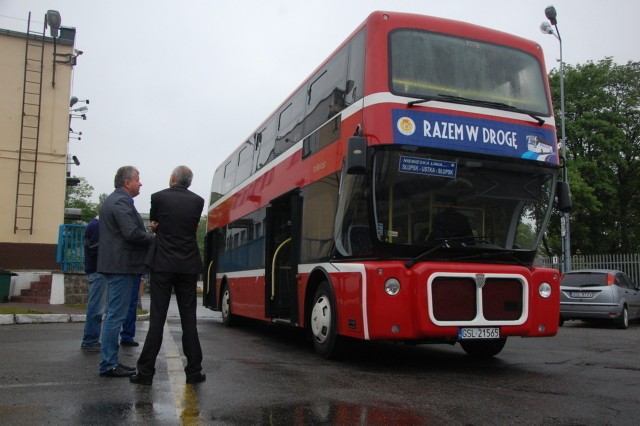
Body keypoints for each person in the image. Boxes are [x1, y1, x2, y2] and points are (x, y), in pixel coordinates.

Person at [130, 165, 205, 385]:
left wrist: (155, 230)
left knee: (157, 319)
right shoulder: (198, 201)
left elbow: (156, 224)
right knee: (188, 319)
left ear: (172, 179)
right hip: (188, 264)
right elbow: (191, 228)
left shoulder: (158, 197)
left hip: (162, 263)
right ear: (188, 182)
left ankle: (145, 373)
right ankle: (194, 371)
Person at [97, 166, 154, 378]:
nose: (140, 183)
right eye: (138, 180)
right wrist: (155, 240)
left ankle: (110, 362)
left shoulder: (116, 200)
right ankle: (108, 364)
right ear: (127, 182)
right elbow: (131, 233)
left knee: (115, 314)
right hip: (121, 266)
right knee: (115, 315)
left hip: (120, 265)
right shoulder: (120, 202)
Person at [80, 216, 107, 352]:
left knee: (96, 305)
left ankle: (90, 339)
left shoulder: (93, 224)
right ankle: (90, 340)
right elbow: (97, 249)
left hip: (95, 270)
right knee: (96, 307)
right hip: (98, 270)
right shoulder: (98, 226)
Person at [120, 275, 142, 347]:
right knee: (130, 304)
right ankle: (127, 336)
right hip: (133, 270)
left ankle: (110, 341)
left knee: (114, 305)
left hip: (117, 270)